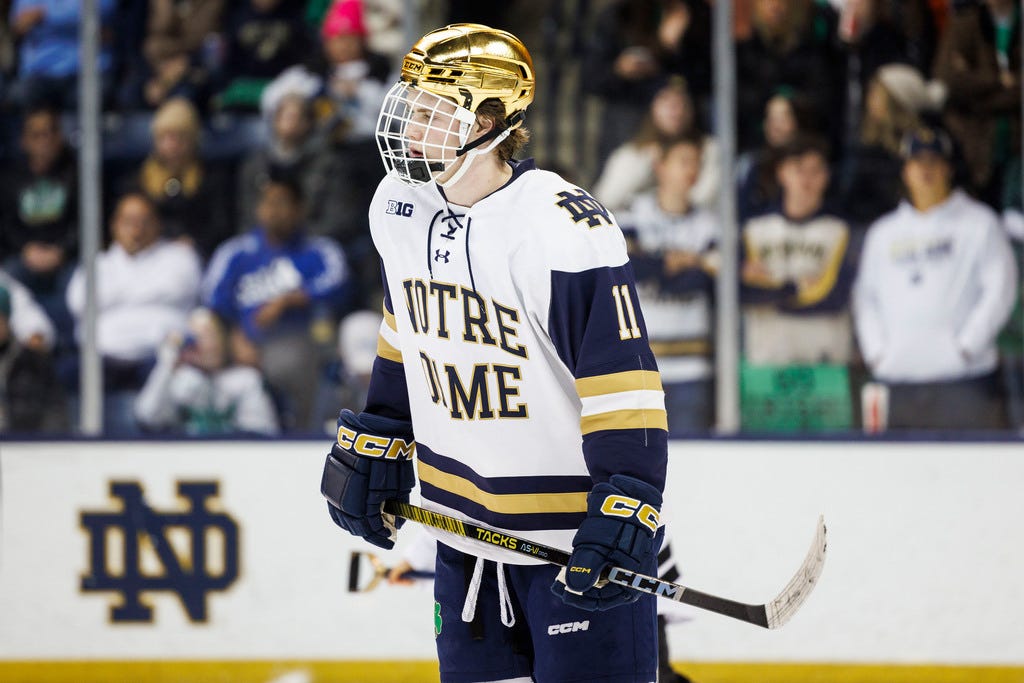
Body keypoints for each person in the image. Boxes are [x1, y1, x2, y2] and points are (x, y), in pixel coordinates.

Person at [320, 24, 668, 683]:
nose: (407, 126)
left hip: (570, 549)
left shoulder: (561, 227)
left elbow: (623, 380)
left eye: (428, 113)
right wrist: (388, 426)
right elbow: (408, 323)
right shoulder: (397, 207)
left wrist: (629, 497)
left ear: (487, 120)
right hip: (462, 543)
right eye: (409, 104)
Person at [852, 125, 1018, 430]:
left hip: (965, 380)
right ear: (905, 171)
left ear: (949, 169)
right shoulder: (883, 233)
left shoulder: (980, 223)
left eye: (934, 162)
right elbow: (866, 297)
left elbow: (1000, 289)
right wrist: (877, 353)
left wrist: (967, 347)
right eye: (917, 163)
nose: (926, 171)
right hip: (898, 377)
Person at [202, 174, 350, 431]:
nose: (273, 211)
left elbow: (338, 283)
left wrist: (289, 299)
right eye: (267, 203)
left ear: (299, 209)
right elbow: (213, 299)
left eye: (281, 203)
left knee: (289, 359)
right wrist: (235, 336)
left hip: (300, 342)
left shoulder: (317, 251)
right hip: (241, 348)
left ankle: (304, 434)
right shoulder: (236, 252)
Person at [65, 191, 202, 434]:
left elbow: (182, 287)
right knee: (64, 374)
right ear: (114, 225)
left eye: (144, 221)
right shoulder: (97, 264)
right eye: (128, 221)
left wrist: (115, 294)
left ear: (158, 224)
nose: (136, 230)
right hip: (102, 361)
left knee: (186, 380)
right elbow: (77, 301)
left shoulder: (179, 256)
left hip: (159, 360)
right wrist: (149, 289)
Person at [619, 135, 718, 434]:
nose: (692, 170)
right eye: (683, 161)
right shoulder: (632, 214)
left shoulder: (711, 223)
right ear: (660, 166)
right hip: (638, 369)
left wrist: (655, 265)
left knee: (691, 465)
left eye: (697, 163)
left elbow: (700, 282)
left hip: (692, 367)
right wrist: (673, 262)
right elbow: (623, 270)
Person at [134, 306, 280, 436]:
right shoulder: (178, 380)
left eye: (211, 335)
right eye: (197, 337)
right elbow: (148, 418)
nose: (207, 345)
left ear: (224, 339)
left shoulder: (246, 379)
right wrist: (166, 365)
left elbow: (262, 433)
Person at [0, 105, 77, 346]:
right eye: (37, 134)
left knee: (78, 291)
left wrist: (62, 251)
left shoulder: (77, 173)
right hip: (25, 256)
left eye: (50, 133)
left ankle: (69, 348)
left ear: (60, 137)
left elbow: (84, 223)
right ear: (24, 141)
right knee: (9, 278)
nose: (44, 141)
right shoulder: (10, 178)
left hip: (67, 257)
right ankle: (19, 354)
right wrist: (26, 249)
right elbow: (6, 225)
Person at [592, 77, 720, 214]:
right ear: (652, 106)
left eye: (681, 102)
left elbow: (706, 198)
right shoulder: (632, 153)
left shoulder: (709, 149)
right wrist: (645, 163)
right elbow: (605, 200)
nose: (675, 109)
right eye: (666, 100)